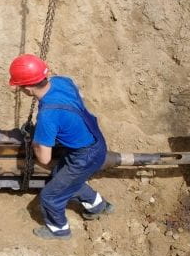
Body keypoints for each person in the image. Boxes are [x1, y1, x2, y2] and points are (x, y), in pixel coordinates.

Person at [8, 54, 114, 240]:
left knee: (50, 196)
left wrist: (36, 141)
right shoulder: (62, 81)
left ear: (28, 89)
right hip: (95, 140)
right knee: (62, 178)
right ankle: (98, 206)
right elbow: (78, 97)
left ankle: (58, 230)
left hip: (84, 156)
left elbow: (44, 159)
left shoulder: (48, 116)